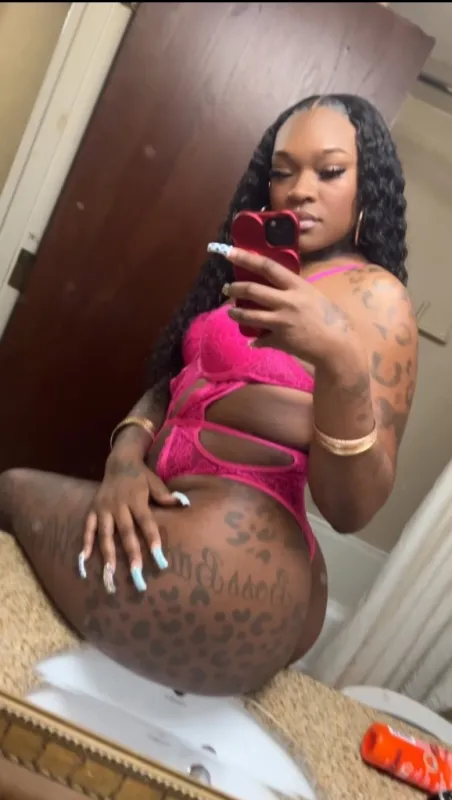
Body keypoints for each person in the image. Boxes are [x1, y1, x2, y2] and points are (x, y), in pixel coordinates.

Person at [0, 94, 417, 697]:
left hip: (236, 560)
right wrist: (125, 461)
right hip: (183, 520)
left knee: (11, 488)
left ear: (367, 186)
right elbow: (177, 385)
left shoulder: (377, 297)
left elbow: (352, 510)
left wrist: (339, 356)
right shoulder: (261, 273)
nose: (300, 191)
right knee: (16, 490)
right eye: (283, 172)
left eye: (329, 171)